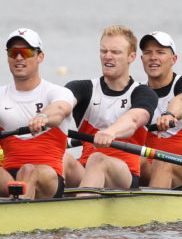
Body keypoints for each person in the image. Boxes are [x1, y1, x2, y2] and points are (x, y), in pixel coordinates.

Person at [0, 28, 76, 200]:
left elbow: (60, 110)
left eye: (26, 52)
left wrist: (43, 117)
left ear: (40, 57)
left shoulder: (58, 92)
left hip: (49, 177)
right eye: (13, 52)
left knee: (28, 170)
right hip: (10, 176)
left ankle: (15, 217)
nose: (19, 58)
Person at [65, 25, 157, 192]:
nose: (107, 56)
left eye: (115, 52)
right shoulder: (82, 88)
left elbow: (134, 119)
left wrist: (111, 132)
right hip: (84, 170)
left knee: (98, 159)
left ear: (131, 57)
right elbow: (60, 106)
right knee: (60, 157)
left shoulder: (143, 93)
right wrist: (44, 116)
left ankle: (81, 211)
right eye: (103, 51)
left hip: (124, 175)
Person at [138, 31, 182, 188]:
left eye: (160, 52)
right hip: (151, 167)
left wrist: (169, 114)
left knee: (163, 161)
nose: (153, 57)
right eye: (147, 53)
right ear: (142, 59)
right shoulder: (137, 91)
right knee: (128, 159)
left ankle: (151, 210)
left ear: (173, 59)